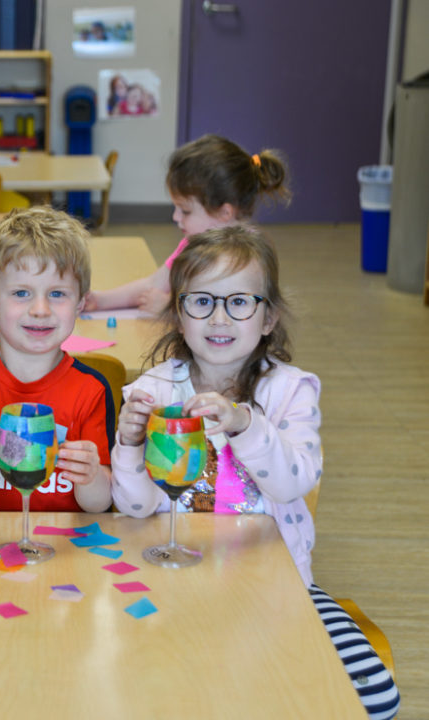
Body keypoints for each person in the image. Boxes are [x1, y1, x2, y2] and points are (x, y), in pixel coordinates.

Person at [110, 226, 400, 720]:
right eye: (201, 301)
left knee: (375, 698)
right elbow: (135, 508)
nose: (219, 317)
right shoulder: (156, 390)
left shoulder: (289, 392)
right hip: (174, 581)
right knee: (144, 687)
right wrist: (129, 445)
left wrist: (245, 423)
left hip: (280, 585)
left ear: (268, 317)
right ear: (178, 316)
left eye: (240, 302)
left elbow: (292, 482)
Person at [0, 207, 114, 512]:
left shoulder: (92, 389)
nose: (40, 309)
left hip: (65, 550)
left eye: (57, 294)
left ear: (80, 302)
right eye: (21, 293)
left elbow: (98, 505)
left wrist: (91, 476)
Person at [86, 134, 289, 315]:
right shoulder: (192, 244)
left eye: (185, 211)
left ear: (224, 212)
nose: (175, 217)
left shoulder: (249, 258)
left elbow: (228, 319)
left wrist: (170, 309)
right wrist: (100, 300)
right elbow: (154, 284)